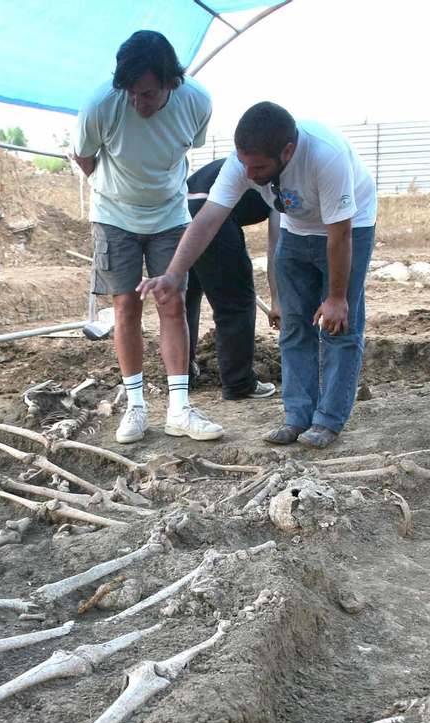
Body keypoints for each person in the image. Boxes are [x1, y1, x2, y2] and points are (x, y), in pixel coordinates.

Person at [142, 102, 378, 450]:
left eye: (258, 167)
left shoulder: (326, 155)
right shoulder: (244, 162)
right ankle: (297, 416)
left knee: (339, 327)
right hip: (297, 232)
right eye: (245, 165)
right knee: (295, 326)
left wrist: (337, 298)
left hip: (348, 229)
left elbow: (339, 235)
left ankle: (328, 419)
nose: (249, 175)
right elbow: (208, 219)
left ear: (287, 151)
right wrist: (173, 274)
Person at [74, 31, 220, 444]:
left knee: (171, 301)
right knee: (126, 306)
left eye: (149, 93)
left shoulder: (197, 101)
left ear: (172, 82)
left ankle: (179, 409)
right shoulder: (100, 105)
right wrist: (116, 195)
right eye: (131, 93)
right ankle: (136, 407)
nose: (139, 102)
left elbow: (189, 146)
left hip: (170, 212)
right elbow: (84, 157)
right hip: (113, 216)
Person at [184, 156, 278, 400]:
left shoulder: (248, 160)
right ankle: (239, 382)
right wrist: (277, 301)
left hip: (177, 209)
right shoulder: (282, 181)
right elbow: (276, 247)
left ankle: (181, 374)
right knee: (235, 301)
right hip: (210, 211)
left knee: (187, 296)